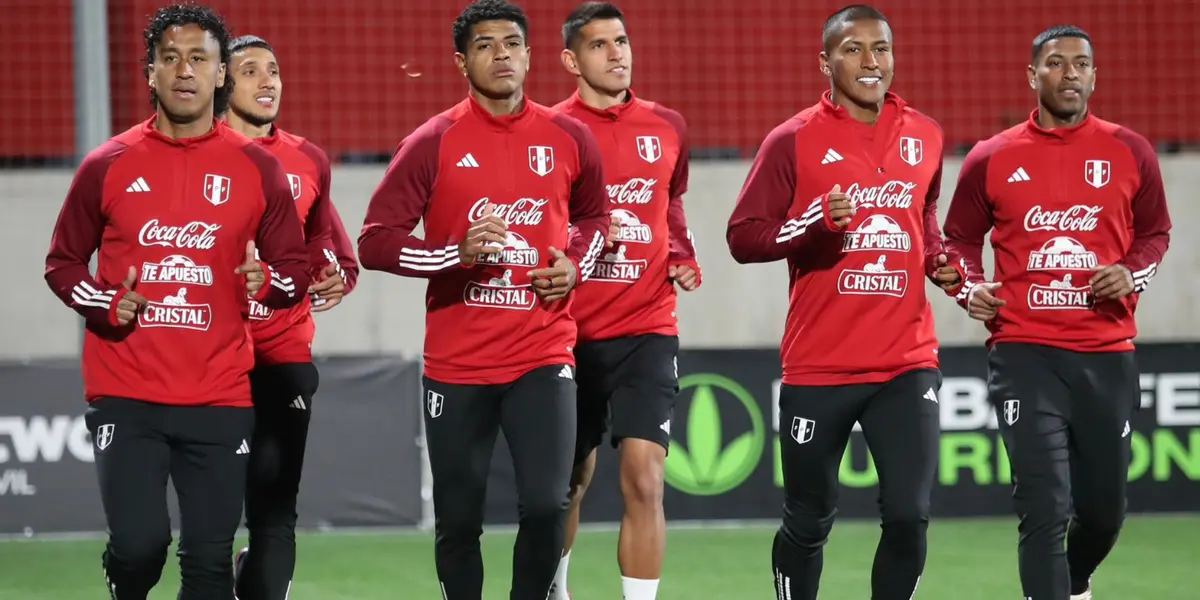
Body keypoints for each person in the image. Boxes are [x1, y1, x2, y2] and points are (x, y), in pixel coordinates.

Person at [42, 4, 311, 599]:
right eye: (170, 58)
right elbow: (62, 264)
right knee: (140, 549)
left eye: (198, 58)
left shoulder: (258, 168)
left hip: (221, 395)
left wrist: (266, 282)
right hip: (127, 395)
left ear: (220, 74)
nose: (184, 70)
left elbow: (296, 270)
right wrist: (104, 303)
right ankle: (124, 574)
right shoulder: (107, 164)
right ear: (151, 73)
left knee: (209, 566)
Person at [356, 1, 610, 598]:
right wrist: (454, 254)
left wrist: (575, 265)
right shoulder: (432, 141)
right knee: (459, 520)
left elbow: (595, 218)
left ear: (530, 55)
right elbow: (375, 241)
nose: (501, 54)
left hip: (543, 353)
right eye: (485, 45)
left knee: (548, 503)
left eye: (512, 43)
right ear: (461, 62)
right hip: (458, 365)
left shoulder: (570, 136)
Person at [725, 5, 963, 600]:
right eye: (853, 49)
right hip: (819, 366)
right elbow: (743, 237)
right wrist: (812, 223)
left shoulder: (926, 134)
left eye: (880, 48)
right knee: (808, 521)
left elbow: (924, 219)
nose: (870, 61)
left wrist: (944, 265)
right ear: (825, 62)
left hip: (906, 363)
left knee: (908, 515)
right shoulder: (792, 140)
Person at [943, 25, 1171, 600]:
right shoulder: (992, 156)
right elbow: (958, 240)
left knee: (1103, 516)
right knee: (1043, 509)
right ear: (1032, 75)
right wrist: (969, 288)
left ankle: (1074, 582)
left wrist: (1132, 272)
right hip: (1024, 353)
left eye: (1081, 63)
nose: (1070, 73)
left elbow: (1155, 235)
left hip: (1106, 354)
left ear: (1094, 75)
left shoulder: (1130, 150)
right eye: (1056, 63)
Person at [549, 4, 700, 600]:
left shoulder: (667, 126)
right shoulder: (553, 130)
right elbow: (535, 220)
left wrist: (682, 254)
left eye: (622, 41)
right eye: (600, 45)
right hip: (568, 333)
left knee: (645, 479)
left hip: (648, 329)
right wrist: (579, 236)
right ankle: (557, 590)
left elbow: (671, 202)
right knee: (568, 483)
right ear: (571, 60)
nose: (617, 54)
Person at [219, 34, 361, 600]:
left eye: (273, 70)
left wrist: (336, 276)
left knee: (274, 512)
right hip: (209, 361)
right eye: (251, 70)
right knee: (211, 513)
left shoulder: (308, 159)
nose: (268, 81)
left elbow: (330, 249)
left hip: (282, 355)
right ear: (223, 83)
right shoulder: (196, 154)